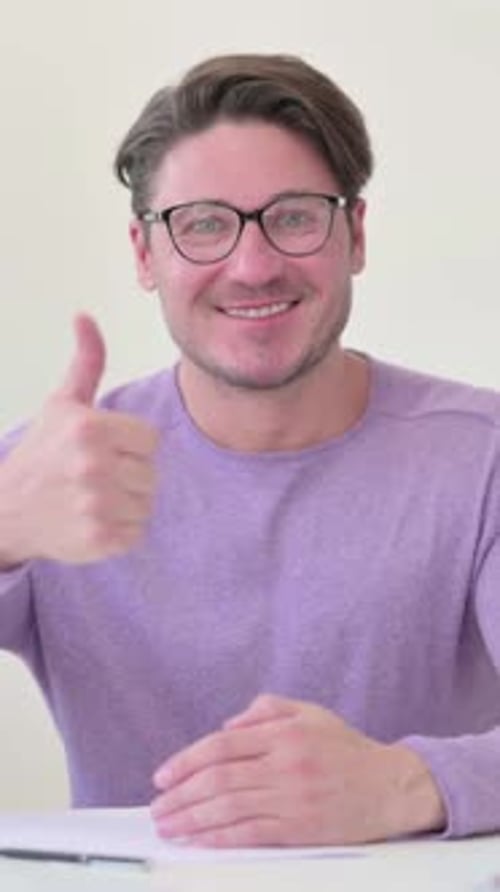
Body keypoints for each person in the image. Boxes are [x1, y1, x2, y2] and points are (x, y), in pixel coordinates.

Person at [0, 52, 499, 849]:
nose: (253, 263)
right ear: (143, 254)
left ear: (356, 235)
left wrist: (409, 782)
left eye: (295, 216)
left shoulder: (483, 460)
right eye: (203, 224)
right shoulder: (59, 475)